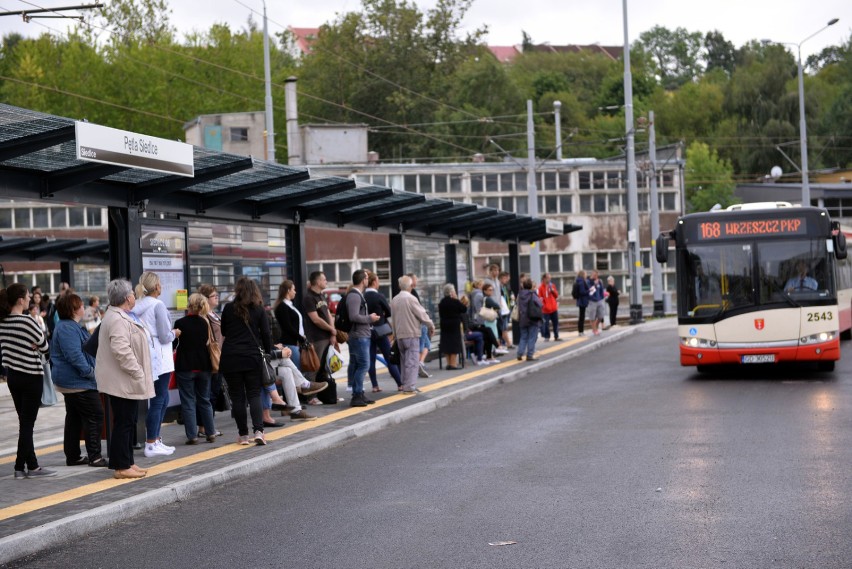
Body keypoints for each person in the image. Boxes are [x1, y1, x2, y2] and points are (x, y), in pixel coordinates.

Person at [96, 279, 155, 479]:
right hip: (122, 380)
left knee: (127, 420)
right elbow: (121, 350)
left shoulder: (120, 316)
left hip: (124, 380)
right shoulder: (117, 319)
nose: (134, 295)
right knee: (124, 422)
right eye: (131, 293)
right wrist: (138, 372)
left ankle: (126, 461)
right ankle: (122, 467)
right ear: (126, 298)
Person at [220, 276, 289, 445]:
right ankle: (259, 431)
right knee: (254, 394)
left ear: (237, 291)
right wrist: (267, 353)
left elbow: (224, 331)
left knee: (237, 398)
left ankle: (243, 435)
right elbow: (266, 334)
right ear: (254, 291)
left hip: (231, 358)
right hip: (252, 358)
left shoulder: (228, 308)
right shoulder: (259, 310)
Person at [0, 283, 56, 479]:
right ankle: (19, 466)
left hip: (13, 377)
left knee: (24, 422)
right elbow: (44, 345)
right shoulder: (28, 321)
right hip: (32, 376)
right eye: (27, 297)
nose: (30, 300)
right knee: (27, 424)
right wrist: (36, 347)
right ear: (21, 300)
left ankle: (32, 465)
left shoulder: (3, 321)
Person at [50, 293, 106, 467]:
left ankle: (73, 456)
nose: (84, 308)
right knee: (95, 415)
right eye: (81, 305)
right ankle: (95, 456)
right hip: (77, 382)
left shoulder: (69, 326)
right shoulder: (68, 328)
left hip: (74, 382)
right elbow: (75, 356)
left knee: (74, 418)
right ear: (74, 309)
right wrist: (90, 373)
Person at [132, 272, 180, 458]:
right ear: (157, 286)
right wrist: (175, 333)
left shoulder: (138, 305)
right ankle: (152, 442)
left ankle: (155, 440)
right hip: (161, 357)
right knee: (160, 399)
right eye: (160, 283)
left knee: (160, 399)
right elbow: (164, 335)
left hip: (149, 356)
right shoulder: (158, 306)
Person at [173, 293, 218, 445]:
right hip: (203, 365)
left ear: (189, 305)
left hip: (185, 366)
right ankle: (210, 432)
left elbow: (174, 345)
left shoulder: (180, 322)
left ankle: (192, 436)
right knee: (205, 400)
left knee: (188, 401)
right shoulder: (205, 323)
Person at [390, 275, 435, 394]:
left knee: (404, 361)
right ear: (410, 286)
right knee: (412, 362)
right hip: (411, 334)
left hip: (400, 335)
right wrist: (431, 325)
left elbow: (393, 319)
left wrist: (394, 334)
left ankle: (405, 385)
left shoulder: (394, 299)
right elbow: (422, 314)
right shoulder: (411, 299)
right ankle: (410, 387)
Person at [345, 269, 380, 407]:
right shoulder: (354, 296)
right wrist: (369, 318)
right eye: (366, 278)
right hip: (359, 336)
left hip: (361, 335)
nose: (368, 279)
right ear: (362, 280)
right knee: (364, 365)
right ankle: (357, 395)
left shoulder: (358, 294)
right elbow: (353, 316)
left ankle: (359, 393)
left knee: (359, 364)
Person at [364, 271, 402, 391]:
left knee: (371, 358)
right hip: (380, 331)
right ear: (374, 282)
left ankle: (375, 386)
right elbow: (389, 312)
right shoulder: (378, 296)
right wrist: (382, 315)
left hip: (367, 330)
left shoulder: (363, 296)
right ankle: (400, 383)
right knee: (388, 356)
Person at [302, 271, 338, 388]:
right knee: (314, 367)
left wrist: (332, 332)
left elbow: (328, 315)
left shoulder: (322, 295)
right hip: (317, 338)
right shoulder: (309, 298)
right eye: (324, 279)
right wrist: (331, 329)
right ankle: (311, 396)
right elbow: (315, 319)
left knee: (326, 366)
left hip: (327, 336)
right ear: (318, 282)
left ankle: (325, 393)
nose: (326, 281)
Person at [197, 283, 224, 434]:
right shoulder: (205, 316)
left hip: (219, 357)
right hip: (212, 359)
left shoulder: (214, 314)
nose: (217, 297)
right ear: (206, 299)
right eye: (214, 296)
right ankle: (205, 426)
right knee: (209, 394)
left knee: (212, 392)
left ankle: (207, 425)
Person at [273, 280, 304, 370]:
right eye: (293, 289)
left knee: (297, 370)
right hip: (290, 343)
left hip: (295, 343)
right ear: (288, 290)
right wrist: (301, 338)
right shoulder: (282, 306)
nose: (295, 292)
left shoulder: (289, 305)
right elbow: (287, 327)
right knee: (295, 370)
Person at [468, 279, 501, 363]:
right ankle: (497, 347)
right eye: (482, 285)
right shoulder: (479, 295)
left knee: (488, 335)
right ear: (479, 285)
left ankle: (490, 355)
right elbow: (478, 309)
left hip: (475, 321)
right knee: (488, 332)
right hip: (477, 322)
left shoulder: (474, 294)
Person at [438, 283, 468, 370]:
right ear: (451, 292)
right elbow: (464, 309)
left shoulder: (442, 302)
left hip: (444, 324)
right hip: (454, 324)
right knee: (454, 343)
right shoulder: (455, 301)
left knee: (447, 343)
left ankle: (448, 363)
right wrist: (456, 299)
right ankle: (453, 364)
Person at [407, 273, 432, 378]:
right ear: (411, 281)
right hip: (419, 324)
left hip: (420, 323)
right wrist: (428, 323)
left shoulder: (412, 292)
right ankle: (417, 367)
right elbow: (418, 310)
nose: (417, 281)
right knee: (421, 347)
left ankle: (420, 363)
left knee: (427, 345)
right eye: (416, 279)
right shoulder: (411, 293)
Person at [516, 277, 543, 362]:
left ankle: (519, 354)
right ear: (531, 286)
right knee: (532, 337)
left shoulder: (520, 295)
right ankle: (529, 355)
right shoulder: (532, 294)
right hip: (532, 318)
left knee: (523, 337)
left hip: (522, 319)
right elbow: (540, 304)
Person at [480, 282, 507, 355]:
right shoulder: (488, 299)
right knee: (494, 335)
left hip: (488, 320)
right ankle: (494, 350)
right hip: (490, 320)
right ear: (484, 291)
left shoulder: (485, 298)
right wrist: (496, 307)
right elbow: (497, 306)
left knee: (493, 335)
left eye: (492, 290)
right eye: (489, 290)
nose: (491, 291)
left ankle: (494, 350)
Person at [537, 273, 561, 341]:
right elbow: (540, 298)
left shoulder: (552, 285)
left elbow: (556, 295)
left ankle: (556, 336)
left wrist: (553, 291)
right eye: (548, 278)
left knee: (555, 323)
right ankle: (547, 336)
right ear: (544, 279)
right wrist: (544, 306)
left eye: (550, 278)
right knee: (546, 324)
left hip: (553, 308)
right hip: (545, 310)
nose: (549, 279)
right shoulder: (540, 288)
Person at [498, 271, 514, 349]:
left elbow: (508, 294)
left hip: (507, 309)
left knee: (504, 327)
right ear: (500, 278)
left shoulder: (505, 286)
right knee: (504, 328)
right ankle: (508, 343)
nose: (506, 279)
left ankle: (504, 343)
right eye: (504, 278)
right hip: (503, 310)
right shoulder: (499, 287)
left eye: (506, 278)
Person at [588, 270, 606, 336]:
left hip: (599, 300)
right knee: (592, 317)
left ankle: (595, 326)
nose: (595, 276)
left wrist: (602, 297)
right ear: (592, 275)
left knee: (600, 316)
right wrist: (594, 285)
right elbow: (590, 291)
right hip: (592, 301)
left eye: (596, 275)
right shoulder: (589, 281)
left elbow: (601, 290)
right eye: (594, 275)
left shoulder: (600, 281)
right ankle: (595, 330)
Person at [574, 270, 591, 336]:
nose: (586, 275)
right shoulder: (581, 282)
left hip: (581, 300)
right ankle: (581, 331)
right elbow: (582, 292)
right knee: (581, 316)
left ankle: (581, 331)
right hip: (582, 301)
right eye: (585, 274)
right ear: (583, 274)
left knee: (581, 316)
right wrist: (589, 290)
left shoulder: (579, 281)